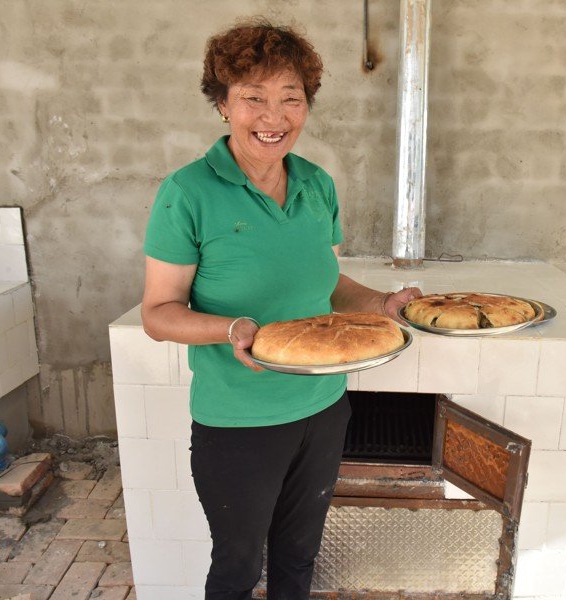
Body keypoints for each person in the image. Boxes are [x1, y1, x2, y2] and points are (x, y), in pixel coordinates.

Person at [140, 19, 421, 600]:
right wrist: (232, 329)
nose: (273, 117)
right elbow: (159, 313)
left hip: (323, 408)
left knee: (298, 557)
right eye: (253, 98)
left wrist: (381, 304)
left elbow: (322, 283)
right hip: (239, 423)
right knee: (239, 568)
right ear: (222, 105)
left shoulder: (316, 185)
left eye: (290, 98)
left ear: (306, 107)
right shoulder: (188, 192)